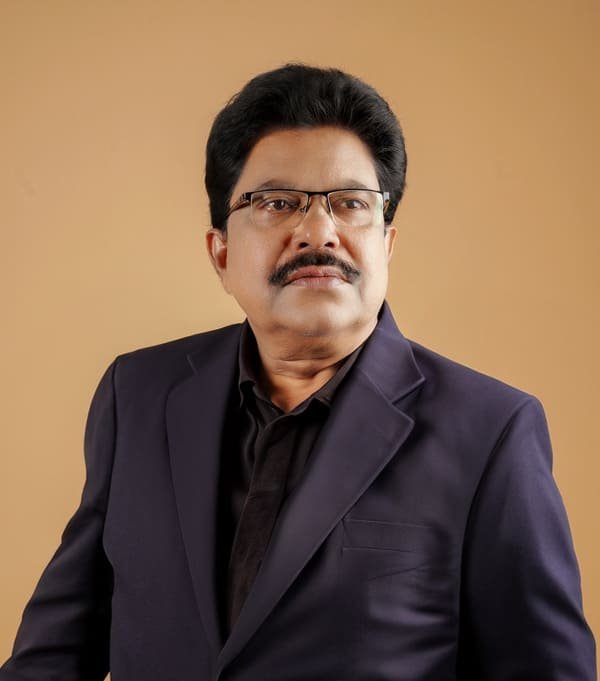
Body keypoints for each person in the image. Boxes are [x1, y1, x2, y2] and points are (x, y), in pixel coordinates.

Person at [0, 64, 595, 681]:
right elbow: (53, 657)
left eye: (351, 204)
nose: (318, 232)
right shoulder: (139, 396)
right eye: (277, 203)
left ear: (387, 243)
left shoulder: (490, 430)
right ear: (221, 253)